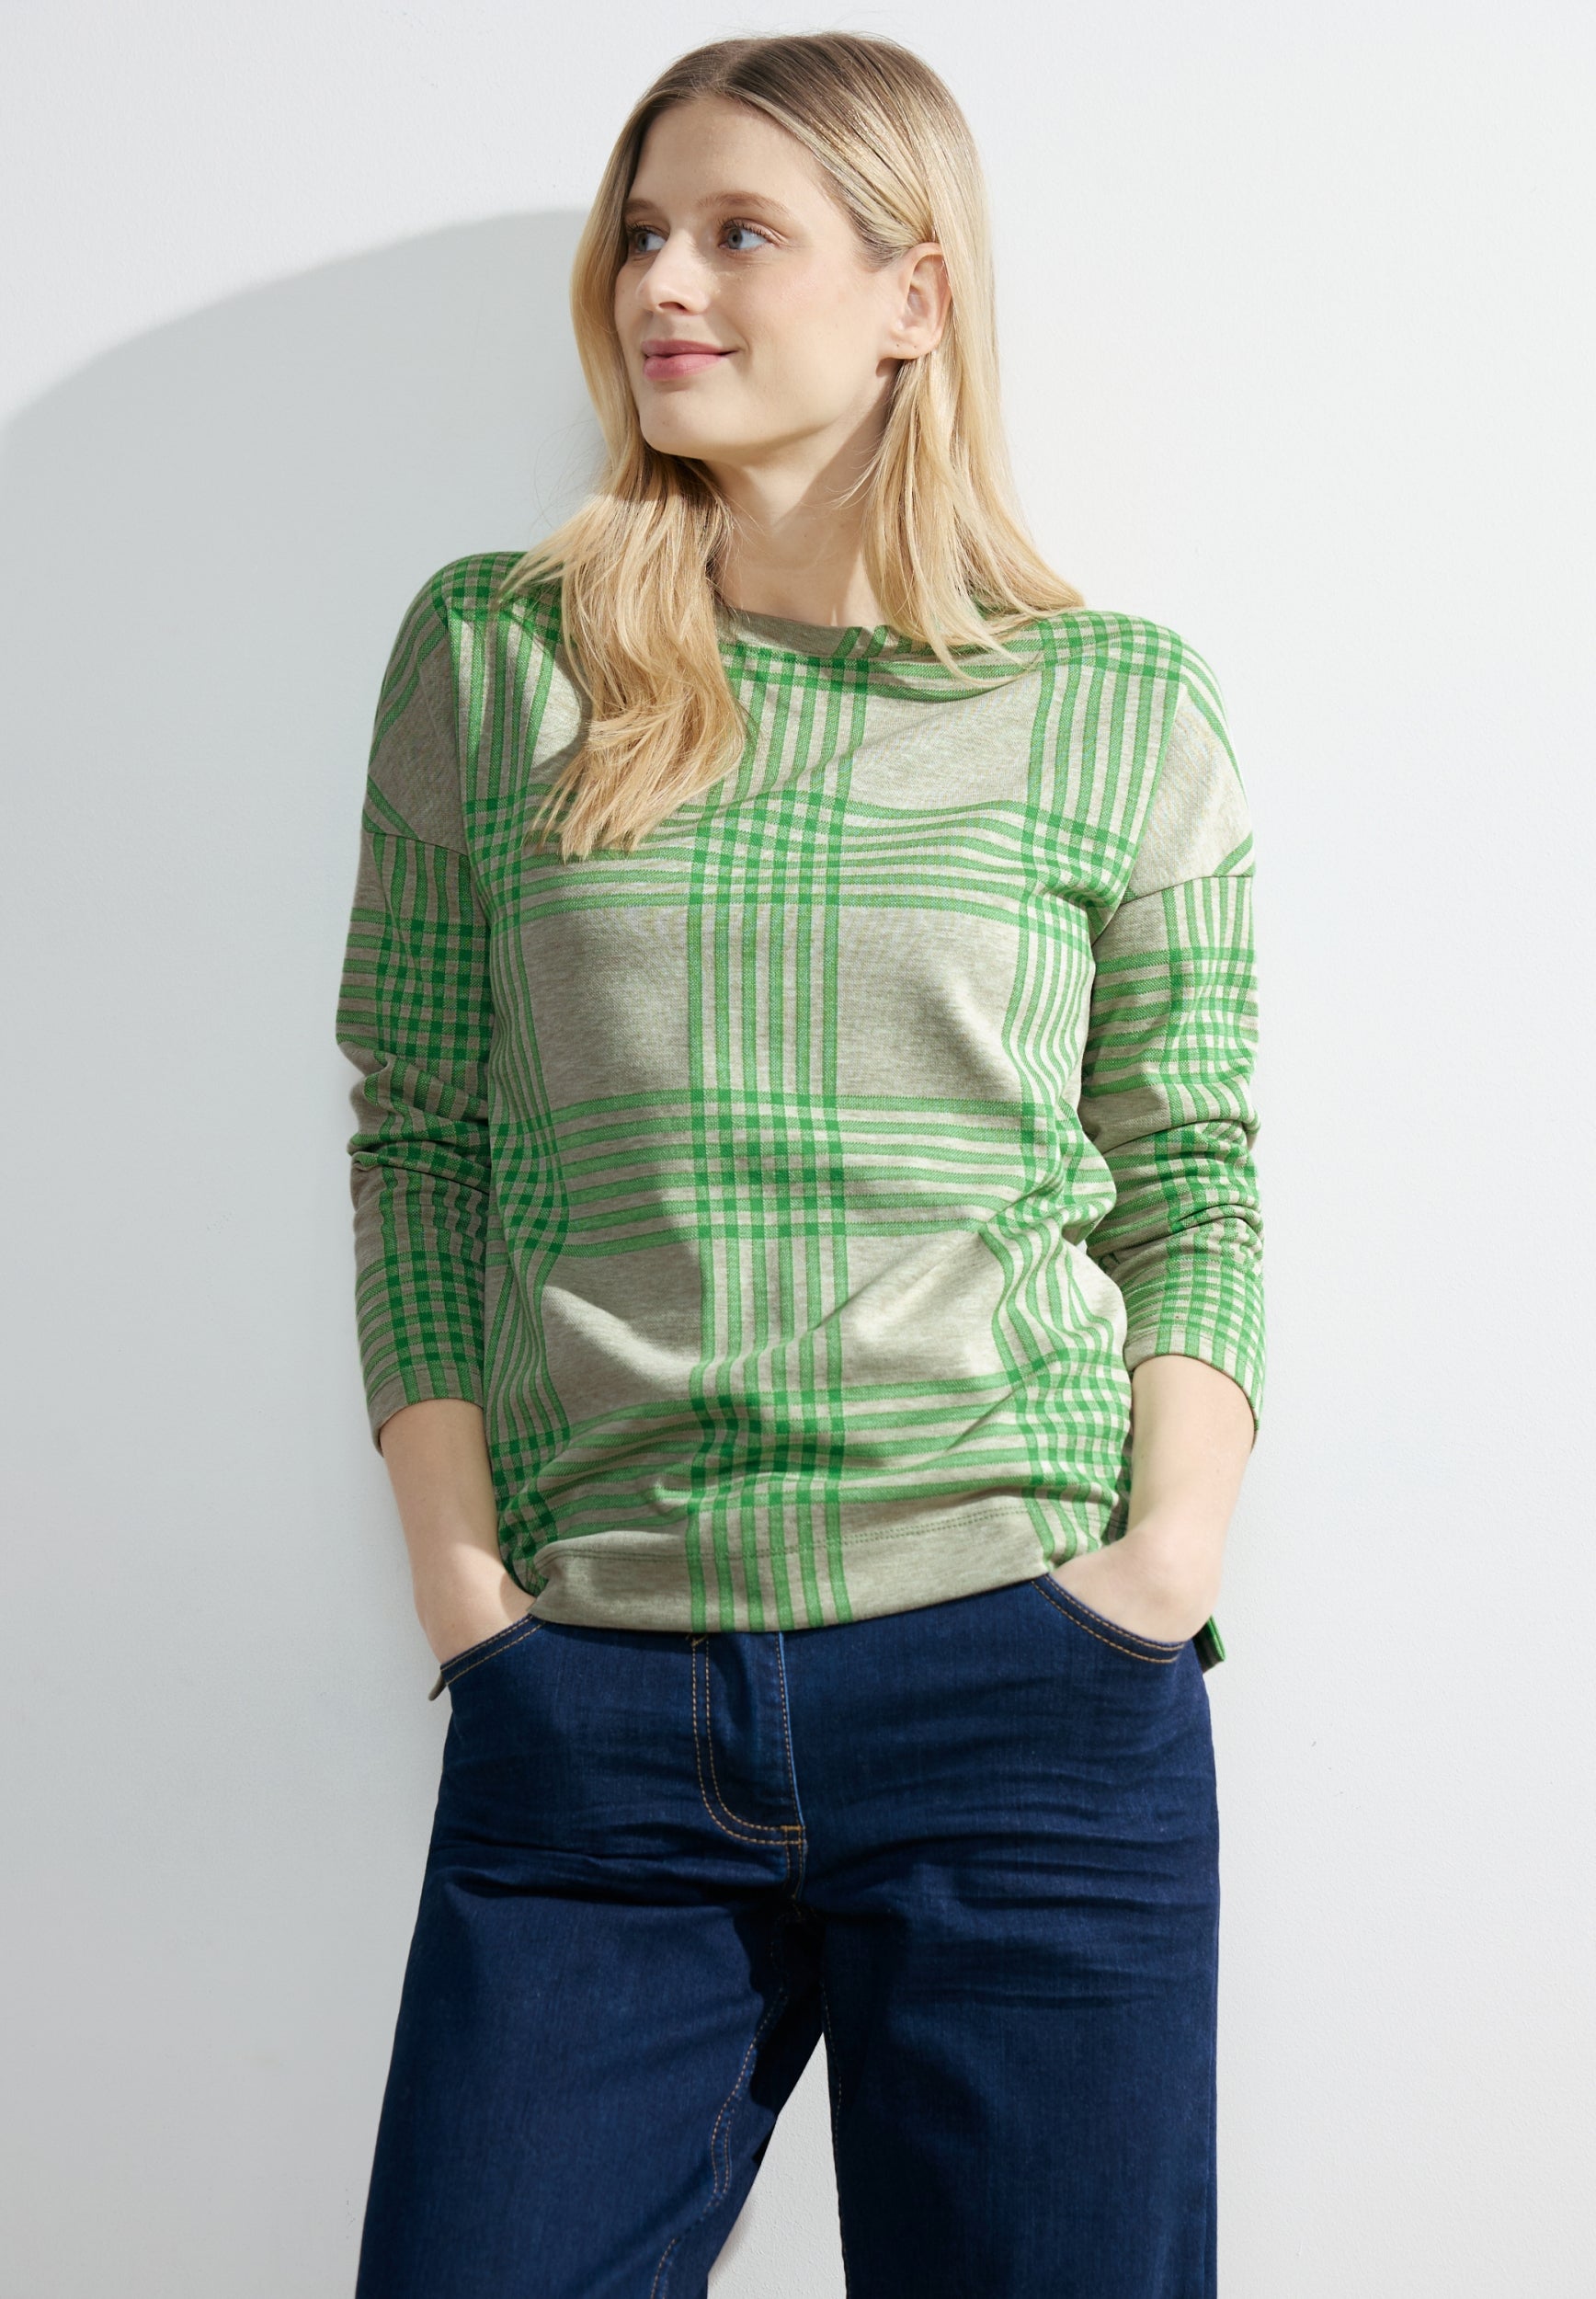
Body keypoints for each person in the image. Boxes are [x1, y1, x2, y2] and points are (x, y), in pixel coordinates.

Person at [334, 30, 1264, 2299]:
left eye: (738, 233)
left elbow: (1188, 1169)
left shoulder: (1114, 698)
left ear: (911, 294)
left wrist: (1158, 1564)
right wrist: (466, 1592)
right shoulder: (500, 658)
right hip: (596, 1697)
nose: (663, 283)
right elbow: (422, 1137)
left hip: (1022, 1684)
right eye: (642, 234)